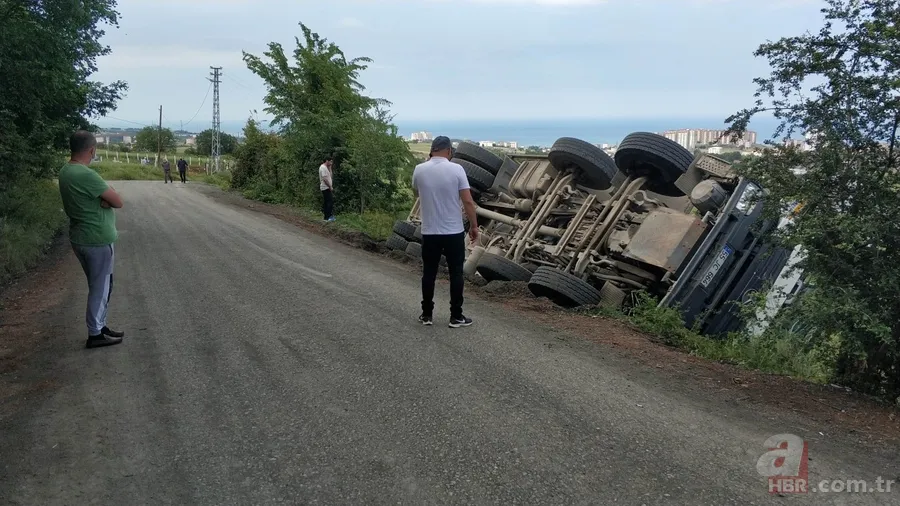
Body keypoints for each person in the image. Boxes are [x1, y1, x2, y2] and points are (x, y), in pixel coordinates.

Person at [58, 131, 126, 349]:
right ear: (92, 150)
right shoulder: (86, 174)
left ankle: (101, 325)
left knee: (99, 284)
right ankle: (95, 333)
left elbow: (108, 198)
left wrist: (103, 199)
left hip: (81, 236)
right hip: (97, 238)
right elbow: (117, 200)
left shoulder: (66, 171)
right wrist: (105, 200)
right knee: (101, 286)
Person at [411, 136, 479, 328]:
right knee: (456, 273)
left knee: (429, 273)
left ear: (431, 150)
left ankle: (426, 315)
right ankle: (456, 316)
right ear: (449, 151)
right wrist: (474, 227)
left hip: (429, 231)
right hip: (453, 231)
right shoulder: (457, 169)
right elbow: (467, 201)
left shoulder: (419, 170)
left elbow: (417, 192)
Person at [319, 156, 335, 222]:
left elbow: (330, 176)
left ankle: (327, 217)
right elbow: (325, 178)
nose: (331, 163)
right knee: (329, 202)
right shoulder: (323, 168)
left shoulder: (326, 168)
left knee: (327, 201)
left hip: (327, 187)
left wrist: (330, 168)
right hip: (325, 187)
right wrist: (330, 186)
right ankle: (327, 217)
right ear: (327, 161)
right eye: (330, 161)